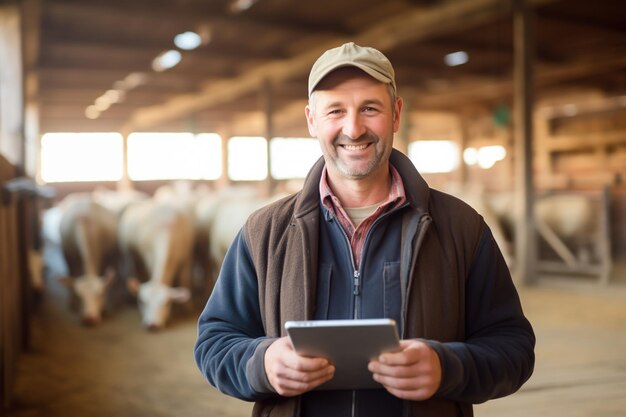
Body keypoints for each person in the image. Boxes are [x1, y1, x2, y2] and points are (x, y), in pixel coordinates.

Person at [194, 42, 535, 417]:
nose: (353, 128)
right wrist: (261, 363)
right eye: (335, 111)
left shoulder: (462, 227)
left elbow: (513, 347)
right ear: (312, 121)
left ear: (396, 114)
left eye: (369, 108)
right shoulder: (264, 233)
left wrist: (447, 367)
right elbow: (214, 341)